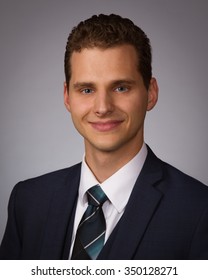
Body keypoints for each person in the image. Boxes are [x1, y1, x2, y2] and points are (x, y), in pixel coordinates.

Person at [0, 14, 208, 260]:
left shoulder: (198, 210)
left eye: (121, 87)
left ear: (150, 93)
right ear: (67, 97)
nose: (102, 107)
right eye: (86, 90)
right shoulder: (28, 201)